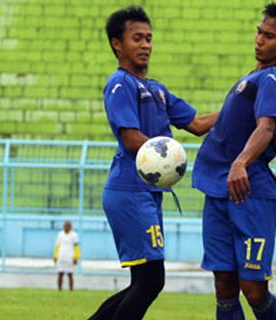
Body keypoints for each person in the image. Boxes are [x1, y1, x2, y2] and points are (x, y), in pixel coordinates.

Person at [191, 2, 276, 319]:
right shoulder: (255, 76)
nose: (259, 40)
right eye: (259, 32)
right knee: (223, 282)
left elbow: (267, 128)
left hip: (249, 191)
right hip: (220, 190)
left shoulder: (274, 79)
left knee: (252, 285)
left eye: (269, 36)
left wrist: (240, 162)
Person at [90, 6, 218, 320]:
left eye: (149, 38)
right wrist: (166, 153)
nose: (146, 45)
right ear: (117, 44)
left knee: (143, 281)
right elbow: (132, 139)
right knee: (151, 280)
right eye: (137, 38)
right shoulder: (120, 84)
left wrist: (240, 104)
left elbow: (199, 124)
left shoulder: (157, 89)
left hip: (147, 193)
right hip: (128, 191)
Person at [53, 221, 80, 291]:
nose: (66, 228)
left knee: (70, 274)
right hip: (61, 256)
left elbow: (76, 247)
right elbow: (57, 246)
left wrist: (76, 257)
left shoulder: (74, 235)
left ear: (70, 227)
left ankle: (71, 289)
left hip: (70, 257)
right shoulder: (60, 234)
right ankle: (59, 289)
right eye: (65, 226)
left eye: (68, 226)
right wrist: (55, 256)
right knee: (60, 273)